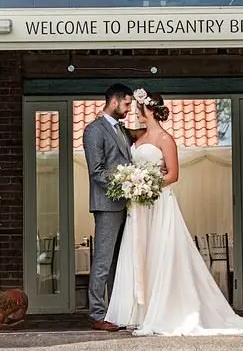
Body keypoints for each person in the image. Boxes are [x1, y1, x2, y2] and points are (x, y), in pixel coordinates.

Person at [105, 89, 243, 336]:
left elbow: (173, 174)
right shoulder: (139, 137)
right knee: (139, 252)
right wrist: (133, 183)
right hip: (139, 207)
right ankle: (139, 312)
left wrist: (145, 184)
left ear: (149, 110)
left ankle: (164, 310)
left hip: (158, 202)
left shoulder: (165, 139)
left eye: (138, 108)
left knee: (161, 252)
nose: (135, 113)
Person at [81, 83, 137, 331]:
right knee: (103, 261)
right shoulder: (94, 130)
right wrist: (125, 186)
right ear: (114, 102)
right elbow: (97, 171)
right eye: (126, 104)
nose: (128, 109)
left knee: (119, 261)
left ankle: (116, 311)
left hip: (127, 205)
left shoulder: (122, 131)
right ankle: (97, 314)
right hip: (107, 205)